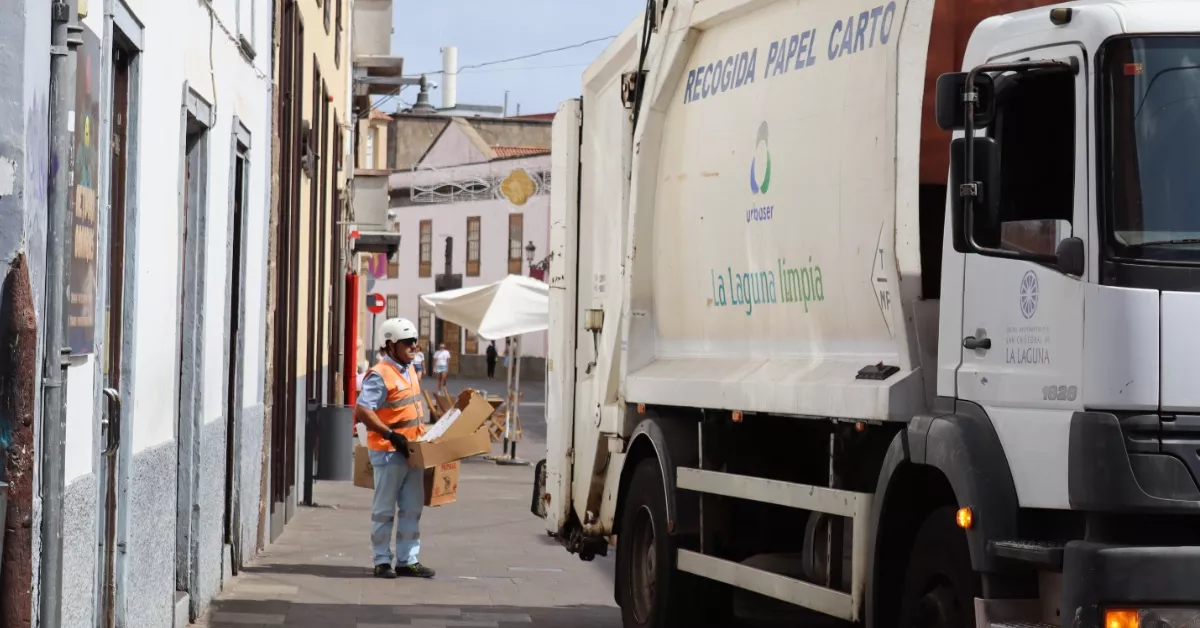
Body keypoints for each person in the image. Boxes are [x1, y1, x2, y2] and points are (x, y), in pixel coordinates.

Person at [354, 317, 436, 580]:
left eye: (416, 342)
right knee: (384, 510)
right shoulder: (380, 374)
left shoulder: (409, 369)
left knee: (412, 508)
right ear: (391, 345)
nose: (414, 346)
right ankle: (381, 561)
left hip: (412, 451)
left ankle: (407, 560)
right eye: (408, 342)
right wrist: (390, 435)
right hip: (389, 452)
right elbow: (363, 410)